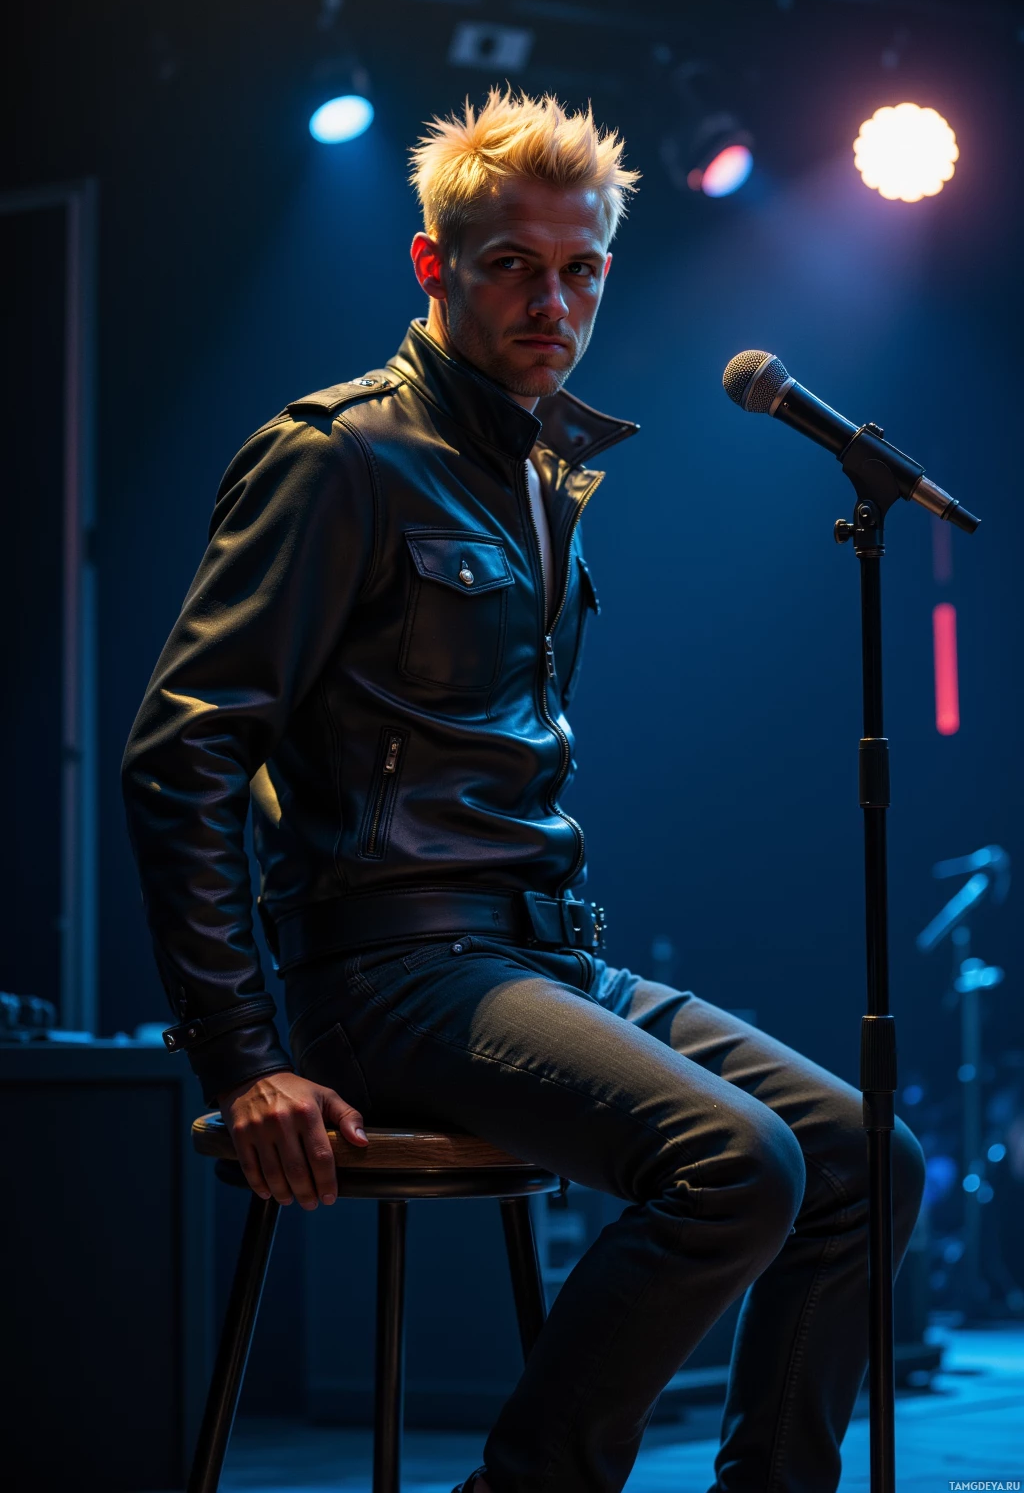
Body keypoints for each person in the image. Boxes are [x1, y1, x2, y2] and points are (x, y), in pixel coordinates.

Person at [123, 88, 925, 1493]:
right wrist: (245, 1057)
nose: (554, 301)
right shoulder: (339, 459)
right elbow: (181, 755)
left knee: (873, 1159)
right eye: (512, 266)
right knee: (739, 1167)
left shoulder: (542, 478)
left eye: (582, 270)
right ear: (435, 268)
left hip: (539, 952)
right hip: (385, 971)